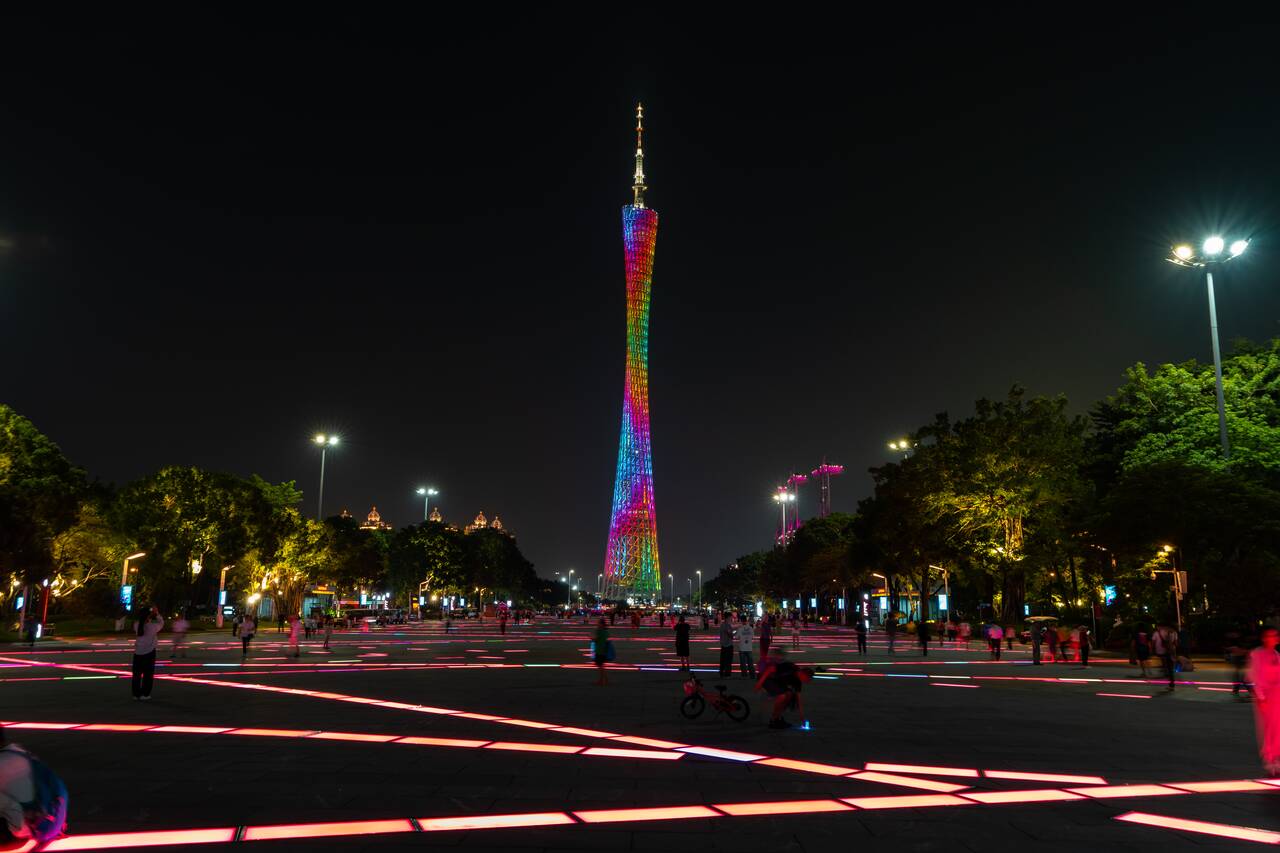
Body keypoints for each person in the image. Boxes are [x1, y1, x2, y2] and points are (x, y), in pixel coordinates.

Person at [1247, 627, 1280, 776]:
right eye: (1269, 635)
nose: (1272, 638)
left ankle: (1276, 757)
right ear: (1263, 638)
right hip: (1266, 696)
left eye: (1274, 635)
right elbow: (1254, 675)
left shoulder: (1277, 655)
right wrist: (1261, 696)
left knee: (1277, 728)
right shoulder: (1257, 654)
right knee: (1268, 728)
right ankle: (1269, 758)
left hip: (1277, 695)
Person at [756, 648, 812, 730]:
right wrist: (759, 683)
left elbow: (799, 700)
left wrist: (802, 717)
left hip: (776, 681)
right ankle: (773, 720)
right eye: (807, 679)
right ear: (803, 674)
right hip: (767, 678)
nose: (807, 682)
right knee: (782, 696)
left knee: (789, 695)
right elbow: (770, 669)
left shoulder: (798, 682)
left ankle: (778, 718)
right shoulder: (790, 668)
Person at [132, 604, 164, 700]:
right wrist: (157, 613)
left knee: (136, 675)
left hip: (138, 653)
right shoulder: (152, 626)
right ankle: (145, 694)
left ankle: (136, 694)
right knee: (148, 675)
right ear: (148, 616)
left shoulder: (136, 625)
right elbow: (161, 623)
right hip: (149, 652)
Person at [1153, 622, 1178, 690]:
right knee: (1171, 668)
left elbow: (1168, 643)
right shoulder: (1175, 633)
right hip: (1173, 651)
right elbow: (1176, 643)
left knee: (1170, 669)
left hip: (1168, 652)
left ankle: (1172, 685)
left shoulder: (1168, 633)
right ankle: (1171, 684)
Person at [593, 617, 610, 686]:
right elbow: (607, 638)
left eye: (598, 622)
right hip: (604, 649)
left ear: (601, 624)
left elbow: (595, 639)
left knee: (600, 666)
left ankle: (603, 680)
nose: (597, 624)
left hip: (599, 650)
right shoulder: (606, 631)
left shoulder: (599, 631)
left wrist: (590, 637)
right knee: (601, 665)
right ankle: (603, 680)